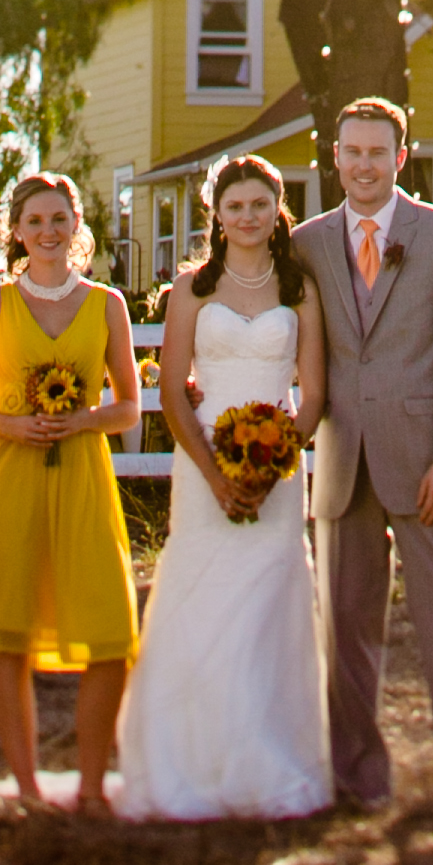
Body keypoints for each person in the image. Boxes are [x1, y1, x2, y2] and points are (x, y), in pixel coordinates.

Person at [292, 98, 433, 817]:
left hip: (425, 464)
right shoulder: (309, 243)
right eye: (352, 152)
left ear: (400, 155)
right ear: (335, 156)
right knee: (346, 631)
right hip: (341, 464)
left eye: (377, 152)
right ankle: (358, 780)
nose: (364, 165)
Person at [117, 153, 332, 819]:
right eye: (235, 206)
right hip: (203, 461)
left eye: (259, 205)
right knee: (200, 600)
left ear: (277, 211)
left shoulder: (300, 287)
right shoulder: (193, 288)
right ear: (218, 213)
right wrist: (216, 476)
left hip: (277, 471)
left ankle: (265, 758)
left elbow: (315, 391)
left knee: (268, 603)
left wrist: (272, 463)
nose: (247, 217)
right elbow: (173, 391)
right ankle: (192, 757)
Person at [0, 169, 142, 813]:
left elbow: (130, 407)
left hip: (82, 472)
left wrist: (84, 419)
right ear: (16, 233)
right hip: (8, 474)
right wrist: (12, 425)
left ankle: (89, 785)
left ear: (76, 225)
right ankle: (23, 785)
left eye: (58, 219)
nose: (47, 232)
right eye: (34, 222)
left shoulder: (108, 304)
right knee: (9, 633)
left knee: (110, 633)